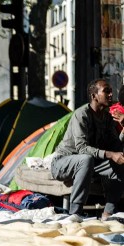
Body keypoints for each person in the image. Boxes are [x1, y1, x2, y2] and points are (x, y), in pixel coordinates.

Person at [51, 79, 124, 219]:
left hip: (91, 163)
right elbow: (82, 149)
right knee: (86, 159)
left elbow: (115, 147)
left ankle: (109, 213)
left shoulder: (107, 117)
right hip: (63, 162)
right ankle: (75, 212)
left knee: (120, 162)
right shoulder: (81, 114)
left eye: (111, 91)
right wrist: (110, 154)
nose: (110, 95)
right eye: (106, 91)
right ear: (94, 96)